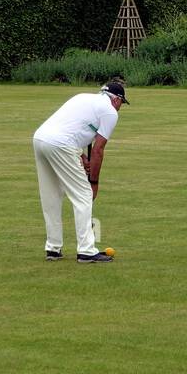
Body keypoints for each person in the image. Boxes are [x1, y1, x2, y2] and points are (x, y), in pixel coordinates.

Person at [33, 78, 129, 263]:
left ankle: (53, 248)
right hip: (60, 144)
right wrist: (93, 182)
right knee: (83, 195)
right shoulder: (110, 112)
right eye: (121, 104)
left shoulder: (82, 97)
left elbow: (71, 130)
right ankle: (86, 250)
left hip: (40, 139)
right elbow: (99, 149)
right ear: (116, 99)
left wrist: (81, 157)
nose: (120, 108)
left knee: (51, 195)